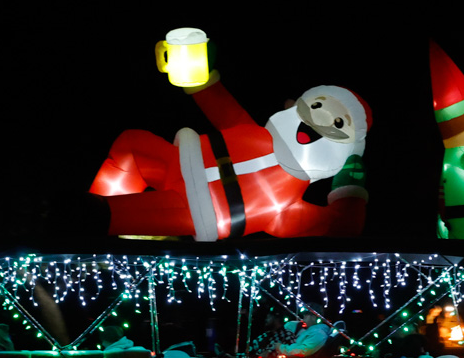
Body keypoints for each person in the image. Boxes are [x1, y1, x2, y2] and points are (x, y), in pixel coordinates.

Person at [87, 63, 372, 241]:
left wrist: (350, 191)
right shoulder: (250, 130)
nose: (317, 121)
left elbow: (338, 228)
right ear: (293, 106)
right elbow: (216, 101)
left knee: (107, 215)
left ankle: (92, 228)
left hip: (198, 209)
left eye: (338, 123)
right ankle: (125, 235)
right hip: (179, 161)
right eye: (319, 105)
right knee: (131, 144)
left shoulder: (286, 206)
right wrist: (193, 69)